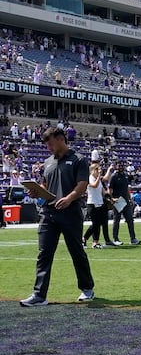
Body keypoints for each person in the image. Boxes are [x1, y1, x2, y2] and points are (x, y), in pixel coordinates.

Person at [19, 127, 95, 306]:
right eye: (47, 145)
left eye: (51, 144)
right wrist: (37, 191)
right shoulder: (47, 162)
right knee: (44, 253)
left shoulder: (79, 160)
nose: (49, 148)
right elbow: (45, 186)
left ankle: (87, 288)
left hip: (71, 212)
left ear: (61, 139)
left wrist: (69, 198)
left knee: (76, 251)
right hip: (48, 213)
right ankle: (39, 295)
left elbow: (82, 184)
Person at [109, 160, 141, 245]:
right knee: (117, 220)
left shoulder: (125, 176)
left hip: (126, 201)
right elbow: (110, 189)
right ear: (116, 166)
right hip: (118, 201)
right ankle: (115, 239)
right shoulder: (114, 176)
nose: (120, 167)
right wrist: (112, 199)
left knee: (130, 220)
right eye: (119, 165)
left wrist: (130, 199)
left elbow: (127, 188)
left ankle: (133, 239)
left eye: (122, 165)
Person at [83, 162, 113, 248]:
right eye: (97, 169)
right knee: (95, 224)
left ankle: (95, 242)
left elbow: (103, 192)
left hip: (99, 203)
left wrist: (111, 198)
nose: (99, 171)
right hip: (92, 203)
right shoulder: (90, 178)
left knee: (98, 224)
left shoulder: (98, 180)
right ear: (92, 170)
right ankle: (84, 238)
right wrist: (99, 177)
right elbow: (94, 186)